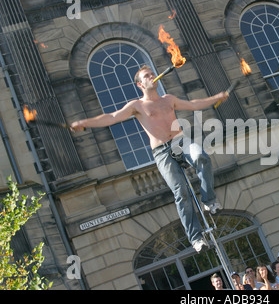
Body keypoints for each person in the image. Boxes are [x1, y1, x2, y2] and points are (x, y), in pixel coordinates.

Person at [71, 66, 228, 253]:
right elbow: (112, 117)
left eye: (152, 74)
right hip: (161, 152)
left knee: (201, 156)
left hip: (180, 141)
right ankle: (196, 238)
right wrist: (84, 123)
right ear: (140, 84)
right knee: (181, 191)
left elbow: (193, 104)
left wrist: (216, 98)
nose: (152, 76)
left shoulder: (168, 99)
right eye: (147, 76)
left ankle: (209, 201)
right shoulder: (137, 106)